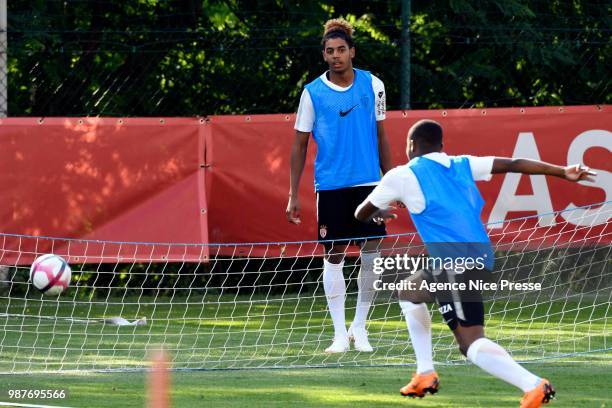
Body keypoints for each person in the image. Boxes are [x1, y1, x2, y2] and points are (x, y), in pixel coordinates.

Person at [355, 119, 596, 407]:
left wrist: (382, 210)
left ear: (410, 146)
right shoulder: (463, 164)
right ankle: (424, 372)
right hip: (480, 258)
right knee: (409, 290)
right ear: (442, 146)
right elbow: (515, 163)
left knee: (470, 344)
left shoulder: (401, 176)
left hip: (454, 265)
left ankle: (533, 385)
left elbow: (361, 213)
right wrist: (563, 172)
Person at [286, 18, 392, 353]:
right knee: (333, 254)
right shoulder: (312, 93)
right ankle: (337, 334)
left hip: (370, 185)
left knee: (371, 254)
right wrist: (292, 194)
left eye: (341, 50)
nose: (336, 56)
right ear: (324, 55)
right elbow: (299, 145)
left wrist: (391, 185)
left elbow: (382, 136)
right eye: (330, 51)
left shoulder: (373, 85)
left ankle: (359, 328)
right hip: (331, 186)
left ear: (352, 51)